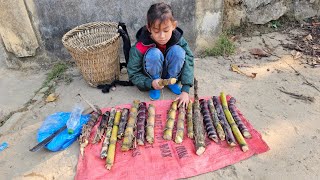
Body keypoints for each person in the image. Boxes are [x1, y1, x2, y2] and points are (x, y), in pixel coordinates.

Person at [127, 2, 194, 108]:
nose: (162, 36)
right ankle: (156, 85)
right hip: (152, 78)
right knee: (154, 54)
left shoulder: (178, 39)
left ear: (174, 26)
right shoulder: (140, 46)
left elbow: (189, 59)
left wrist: (185, 89)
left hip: (171, 74)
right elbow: (133, 73)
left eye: (166, 30)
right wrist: (149, 83)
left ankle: (171, 80)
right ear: (149, 28)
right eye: (156, 31)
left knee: (178, 52)